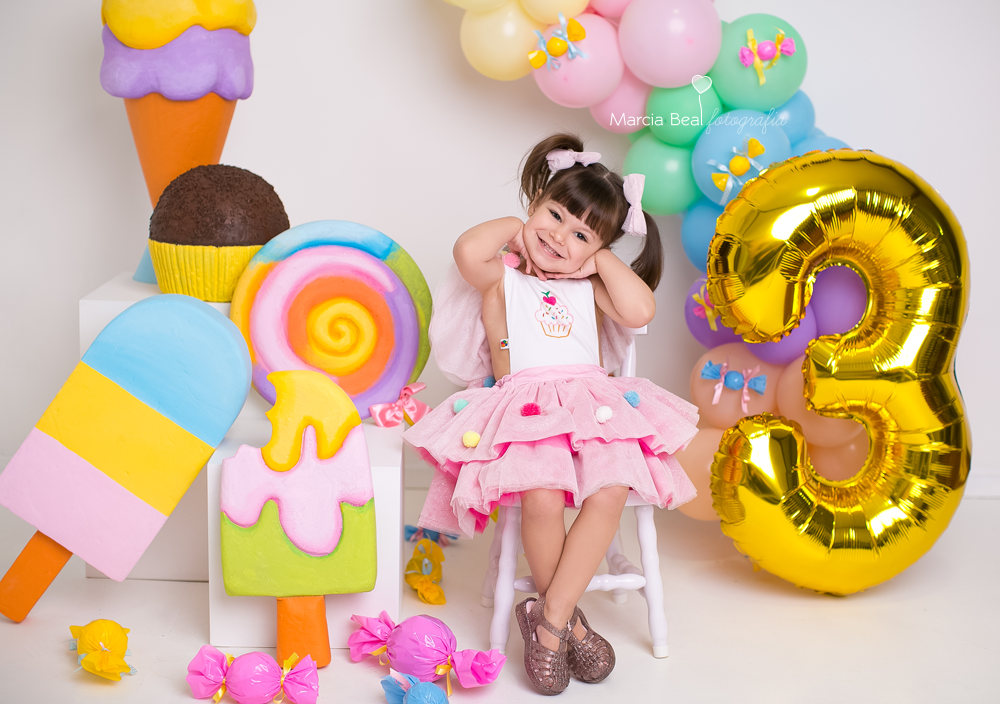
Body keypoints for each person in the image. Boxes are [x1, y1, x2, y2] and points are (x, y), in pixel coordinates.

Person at [404, 133, 699, 696]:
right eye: (555, 215)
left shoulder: (589, 286)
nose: (560, 236)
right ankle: (569, 625)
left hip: (593, 406)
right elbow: (467, 250)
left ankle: (549, 621)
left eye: (581, 234)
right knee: (540, 495)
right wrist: (520, 229)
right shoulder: (501, 277)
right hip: (525, 404)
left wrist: (597, 258)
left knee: (610, 490)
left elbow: (640, 309)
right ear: (535, 204)